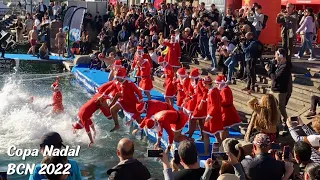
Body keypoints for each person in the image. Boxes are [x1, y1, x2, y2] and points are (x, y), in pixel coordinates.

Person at [102, 67, 143, 132]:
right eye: (116, 77)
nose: (116, 79)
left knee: (139, 121)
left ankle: (146, 126)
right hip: (122, 101)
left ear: (123, 77)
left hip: (132, 104)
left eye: (118, 77)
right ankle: (117, 125)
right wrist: (103, 95)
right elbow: (109, 89)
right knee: (112, 109)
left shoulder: (130, 83)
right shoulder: (116, 83)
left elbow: (138, 92)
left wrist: (141, 101)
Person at [265, 48, 291, 134]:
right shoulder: (279, 64)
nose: (275, 57)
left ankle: (286, 123)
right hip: (275, 89)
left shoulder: (285, 66)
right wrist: (272, 66)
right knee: (275, 107)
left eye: (276, 55)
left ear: (281, 56)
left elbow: (275, 78)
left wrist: (268, 70)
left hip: (280, 91)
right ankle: (279, 123)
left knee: (281, 108)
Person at [201, 75, 224, 155]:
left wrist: (209, 115)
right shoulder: (215, 90)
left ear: (207, 84)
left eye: (204, 84)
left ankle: (206, 151)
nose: (203, 85)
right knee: (216, 134)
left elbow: (214, 105)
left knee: (206, 133)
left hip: (212, 116)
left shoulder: (212, 92)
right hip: (216, 115)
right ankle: (221, 150)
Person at [215, 75, 241, 141]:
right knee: (224, 128)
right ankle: (225, 142)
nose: (216, 84)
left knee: (222, 128)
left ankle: (222, 143)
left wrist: (217, 102)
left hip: (226, 111)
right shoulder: (225, 89)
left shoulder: (225, 90)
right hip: (225, 111)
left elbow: (226, 101)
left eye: (217, 83)